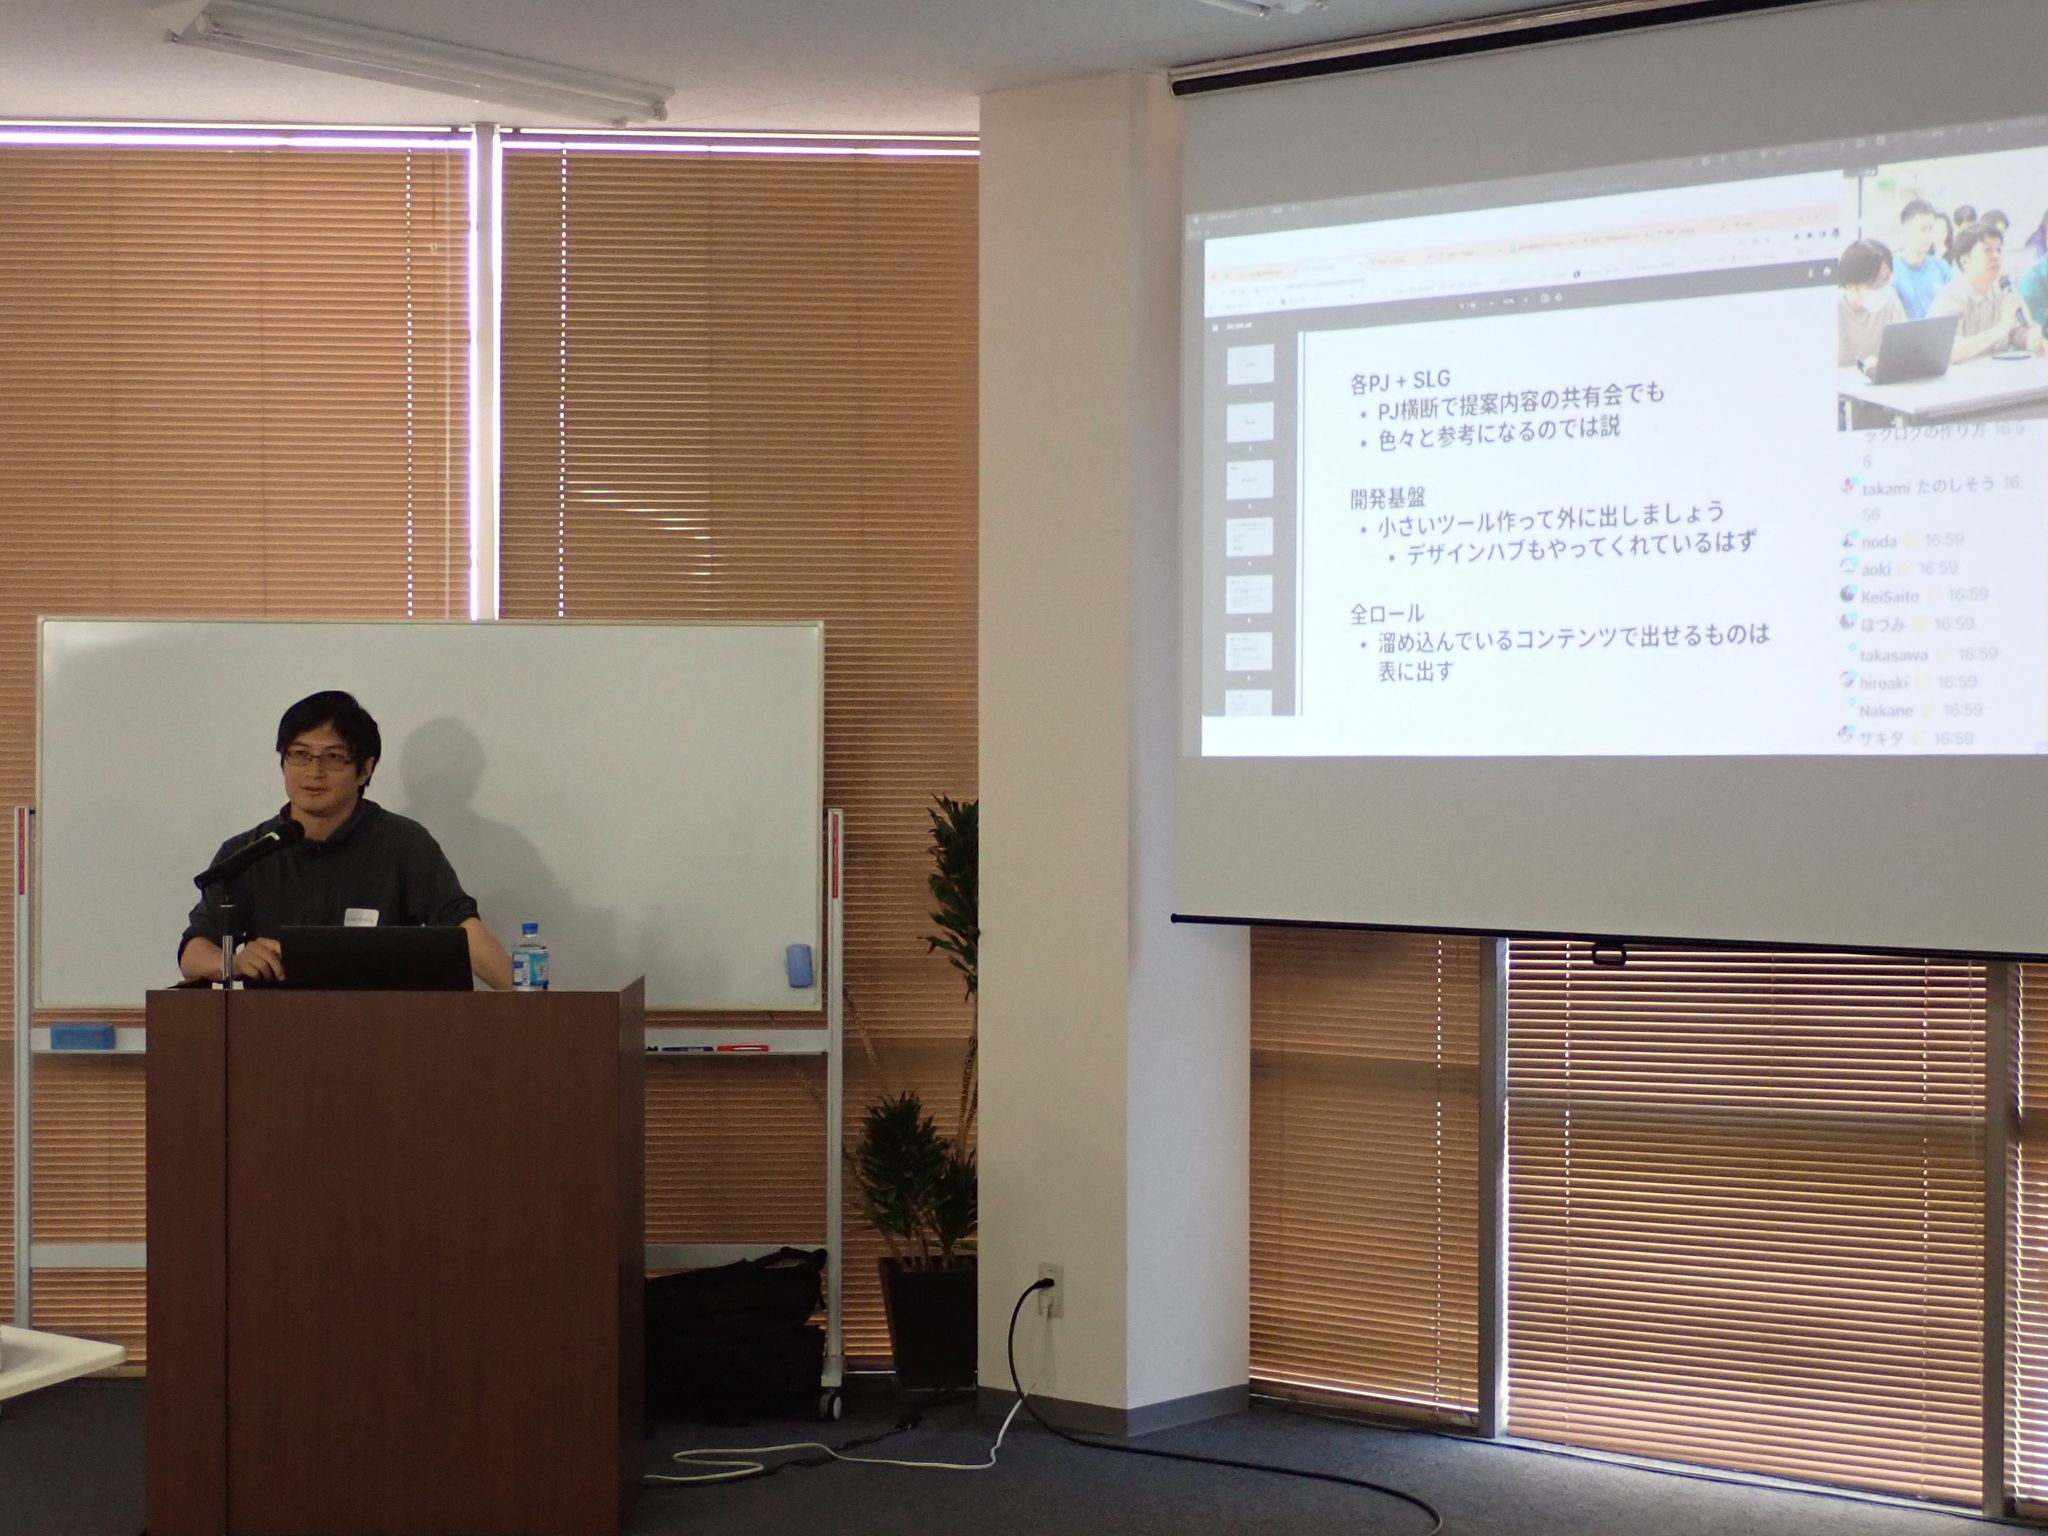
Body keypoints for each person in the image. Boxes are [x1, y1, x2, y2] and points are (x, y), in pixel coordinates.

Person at [177, 690, 515, 988]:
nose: (314, 772)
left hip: (383, 1027)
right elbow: (195, 949)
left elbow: (464, 931)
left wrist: (530, 1003)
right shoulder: (247, 853)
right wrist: (231, 963)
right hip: (274, 1029)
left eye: (333, 757)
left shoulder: (404, 844)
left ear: (365, 769)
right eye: (300, 754)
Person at [1930, 221, 2047, 363]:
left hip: (1998, 373)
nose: (1996, 256)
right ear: (1965, 261)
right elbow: (1950, 351)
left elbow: (2021, 330)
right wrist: (2002, 326)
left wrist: (2037, 342)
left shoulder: (2004, 292)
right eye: (1987, 251)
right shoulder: (1949, 299)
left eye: (1998, 250)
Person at [1837, 238, 1906, 368]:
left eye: (1887, 278)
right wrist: (1862, 368)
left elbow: (1905, 350)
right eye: (1876, 282)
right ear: (1852, 287)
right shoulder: (1832, 310)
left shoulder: (1890, 300)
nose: (1884, 287)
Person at [1891, 198, 1954, 319]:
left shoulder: (1941, 267)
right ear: (1905, 230)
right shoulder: (1892, 271)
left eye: (1931, 229)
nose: (1928, 235)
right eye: (1923, 229)